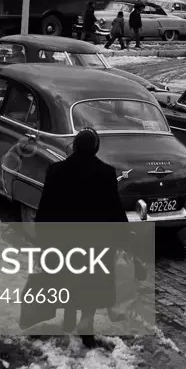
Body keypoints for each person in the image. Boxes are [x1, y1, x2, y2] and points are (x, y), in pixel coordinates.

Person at [35, 128, 128, 347]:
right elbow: (113, 208)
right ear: (96, 149)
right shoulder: (106, 173)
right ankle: (86, 327)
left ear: (74, 146)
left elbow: (46, 205)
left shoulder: (55, 170)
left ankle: (68, 317)